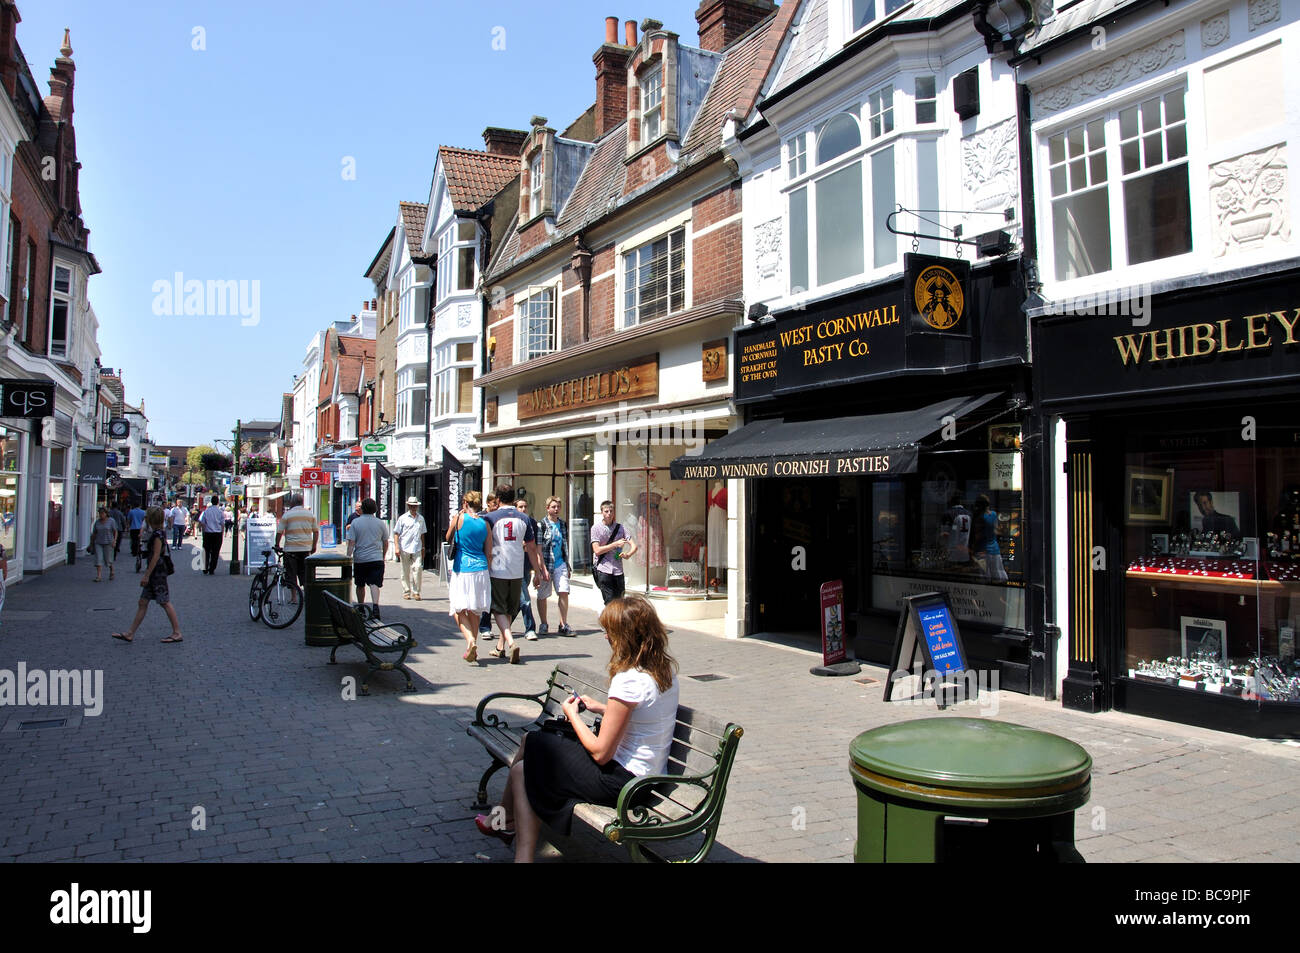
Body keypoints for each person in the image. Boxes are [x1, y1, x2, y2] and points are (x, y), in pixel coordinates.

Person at [475, 595, 680, 862]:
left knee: (532, 749)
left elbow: (600, 754)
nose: (606, 637)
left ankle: (506, 823)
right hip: (646, 776)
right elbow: (649, 715)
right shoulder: (664, 671)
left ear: (625, 636)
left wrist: (573, 715)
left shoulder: (628, 680)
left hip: (623, 782)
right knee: (526, 761)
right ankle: (508, 829)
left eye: (610, 631)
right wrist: (604, 708)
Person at [484, 485, 547, 664]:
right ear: (513, 498)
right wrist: (537, 571)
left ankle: (511, 642)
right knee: (510, 609)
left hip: (497, 568)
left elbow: (487, 545)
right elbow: (531, 546)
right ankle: (500, 647)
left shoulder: (490, 518)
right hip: (517, 569)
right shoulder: (525, 518)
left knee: (497, 608)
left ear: (497, 498)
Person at [112, 506, 184, 643]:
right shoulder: (159, 532)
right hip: (156, 571)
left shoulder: (157, 535)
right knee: (143, 602)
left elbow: (156, 556)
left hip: (157, 572)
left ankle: (177, 632)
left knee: (164, 601)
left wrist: (146, 575)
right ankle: (130, 633)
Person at [446, 491, 493, 663]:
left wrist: (458, 517)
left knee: (458, 609)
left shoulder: (459, 519)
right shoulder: (485, 523)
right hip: (481, 569)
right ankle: (472, 647)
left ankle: (470, 639)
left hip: (463, 568)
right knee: (475, 610)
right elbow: (489, 552)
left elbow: (447, 536)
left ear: (465, 503)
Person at [346, 498, 390, 619]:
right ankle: (375, 606)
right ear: (375, 509)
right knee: (374, 584)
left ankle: (361, 607)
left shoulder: (356, 523)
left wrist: (348, 557)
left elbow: (351, 543)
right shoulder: (380, 523)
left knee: (360, 585)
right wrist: (383, 555)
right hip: (376, 558)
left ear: (363, 508)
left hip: (361, 559)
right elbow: (386, 542)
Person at [535, 495, 572, 636]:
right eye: (553, 507)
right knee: (543, 595)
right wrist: (542, 568)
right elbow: (538, 549)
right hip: (546, 564)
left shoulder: (562, 524)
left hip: (560, 563)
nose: (556, 509)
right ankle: (544, 623)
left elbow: (565, 545)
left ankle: (563, 624)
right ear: (547, 508)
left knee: (563, 591)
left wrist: (567, 565)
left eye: (558, 507)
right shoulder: (542, 525)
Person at [591, 500, 637, 605]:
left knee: (620, 602)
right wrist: (615, 544)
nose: (609, 514)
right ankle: (609, 621)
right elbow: (597, 550)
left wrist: (628, 554)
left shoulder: (621, 528)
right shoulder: (596, 528)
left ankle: (618, 621)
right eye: (606, 511)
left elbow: (634, 546)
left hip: (618, 570)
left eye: (611, 511)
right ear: (601, 512)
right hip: (603, 569)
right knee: (609, 603)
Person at [275, 493, 318, 588]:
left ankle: (294, 597)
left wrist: (277, 544)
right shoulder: (310, 514)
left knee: (291, 573)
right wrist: (314, 546)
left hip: (290, 549)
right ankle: (306, 595)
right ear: (302, 502)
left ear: (292, 502)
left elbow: (279, 532)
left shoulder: (287, 515)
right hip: (305, 548)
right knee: (304, 573)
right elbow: (316, 532)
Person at [393, 496, 427, 601]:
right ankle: (406, 591)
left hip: (417, 547)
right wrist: (397, 547)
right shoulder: (402, 518)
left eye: (415, 506)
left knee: (418, 568)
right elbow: (396, 533)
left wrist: (423, 547)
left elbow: (422, 534)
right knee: (405, 570)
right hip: (405, 547)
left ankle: (416, 592)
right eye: (411, 506)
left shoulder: (421, 519)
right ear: (408, 506)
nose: (413, 507)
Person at [516, 497, 540, 640]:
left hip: (527, 565)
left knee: (519, 599)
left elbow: (535, 546)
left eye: (525, 506)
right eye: (520, 507)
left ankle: (503, 626)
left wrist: (538, 569)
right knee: (525, 597)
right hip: (514, 566)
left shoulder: (531, 522)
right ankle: (530, 628)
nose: (524, 509)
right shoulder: (513, 522)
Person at [971, 494, 1008, 583]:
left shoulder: (980, 518)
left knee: (985, 579)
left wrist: (972, 549)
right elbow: (997, 530)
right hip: (995, 550)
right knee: (997, 577)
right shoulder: (994, 514)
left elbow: (977, 536)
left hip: (983, 552)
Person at [478, 493, 500, 637]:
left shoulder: (500, 517)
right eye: (494, 504)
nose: (497, 506)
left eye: (498, 503)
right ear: (488, 503)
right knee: (487, 594)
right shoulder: (481, 518)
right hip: (483, 560)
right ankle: (484, 626)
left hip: (498, 559)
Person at [199, 495, 226, 574]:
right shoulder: (220, 512)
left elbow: (203, 523)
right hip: (217, 534)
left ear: (211, 502)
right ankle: (212, 568)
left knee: (206, 551)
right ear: (218, 502)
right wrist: (222, 533)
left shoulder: (206, 511)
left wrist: (203, 532)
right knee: (215, 552)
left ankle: (205, 567)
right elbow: (222, 524)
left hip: (208, 533)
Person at [91, 507, 118, 583]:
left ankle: (111, 569)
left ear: (106, 514)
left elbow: (115, 531)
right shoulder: (97, 522)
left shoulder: (111, 521)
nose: (101, 515)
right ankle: (99, 576)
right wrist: (91, 543)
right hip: (98, 542)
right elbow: (94, 533)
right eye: (100, 513)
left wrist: (114, 541)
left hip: (108, 542)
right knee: (98, 559)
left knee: (108, 559)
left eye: (102, 513)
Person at [127, 500, 148, 571]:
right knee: (139, 540)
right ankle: (138, 550)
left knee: (133, 540)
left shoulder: (131, 511)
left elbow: (129, 520)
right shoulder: (143, 512)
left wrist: (128, 526)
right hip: (140, 528)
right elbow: (144, 520)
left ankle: (134, 551)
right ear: (139, 505)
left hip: (133, 527)